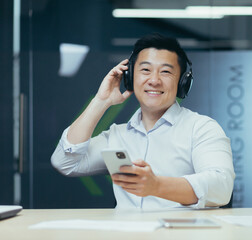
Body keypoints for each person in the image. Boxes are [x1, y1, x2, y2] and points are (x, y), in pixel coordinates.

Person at [51, 33, 235, 209]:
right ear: (130, 77)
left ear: (182, 82)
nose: (154, 80)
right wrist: (101, 101)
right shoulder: (116, 135)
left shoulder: (201, 128)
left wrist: (157, 186)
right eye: (145, 70)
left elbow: (222, 187)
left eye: (165, 72)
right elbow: (65, 163)